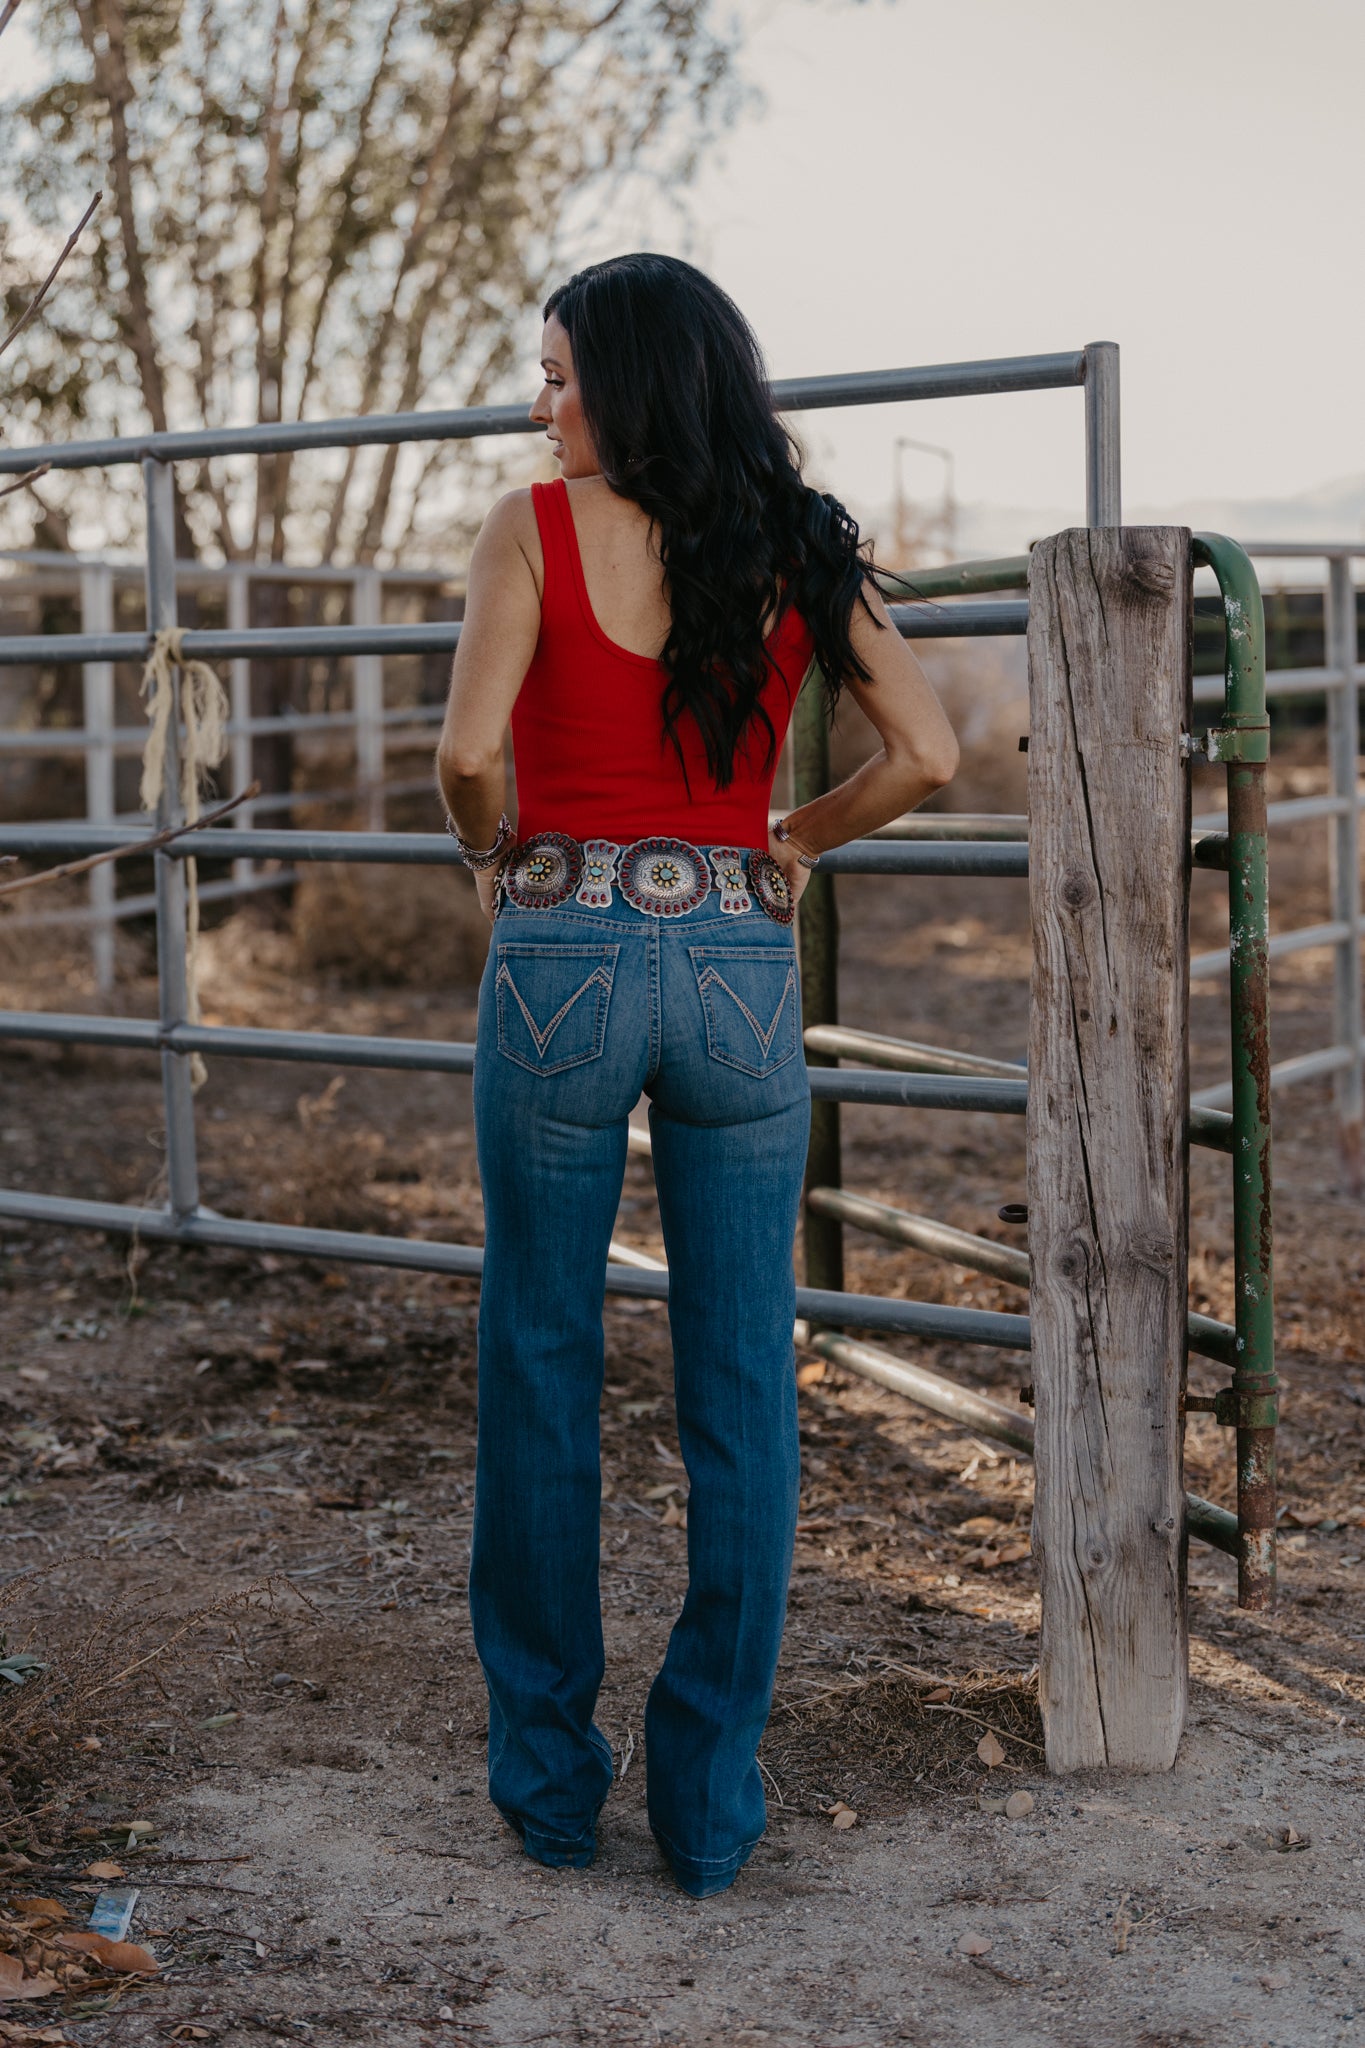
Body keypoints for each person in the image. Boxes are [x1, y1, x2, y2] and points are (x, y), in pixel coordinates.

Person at [436, 253, 957, 1898]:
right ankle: (710, 1806)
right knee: (741, 1387)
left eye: (559, 376)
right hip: (737, 962)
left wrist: (492, 866)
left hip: (561, 961)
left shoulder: (530, 528)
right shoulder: (796, 543)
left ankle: (547, 1779)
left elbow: (464, 757)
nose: (543, 405)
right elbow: (929, 754)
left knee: (539, 1354)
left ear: (629, 382)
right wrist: (787, 838)